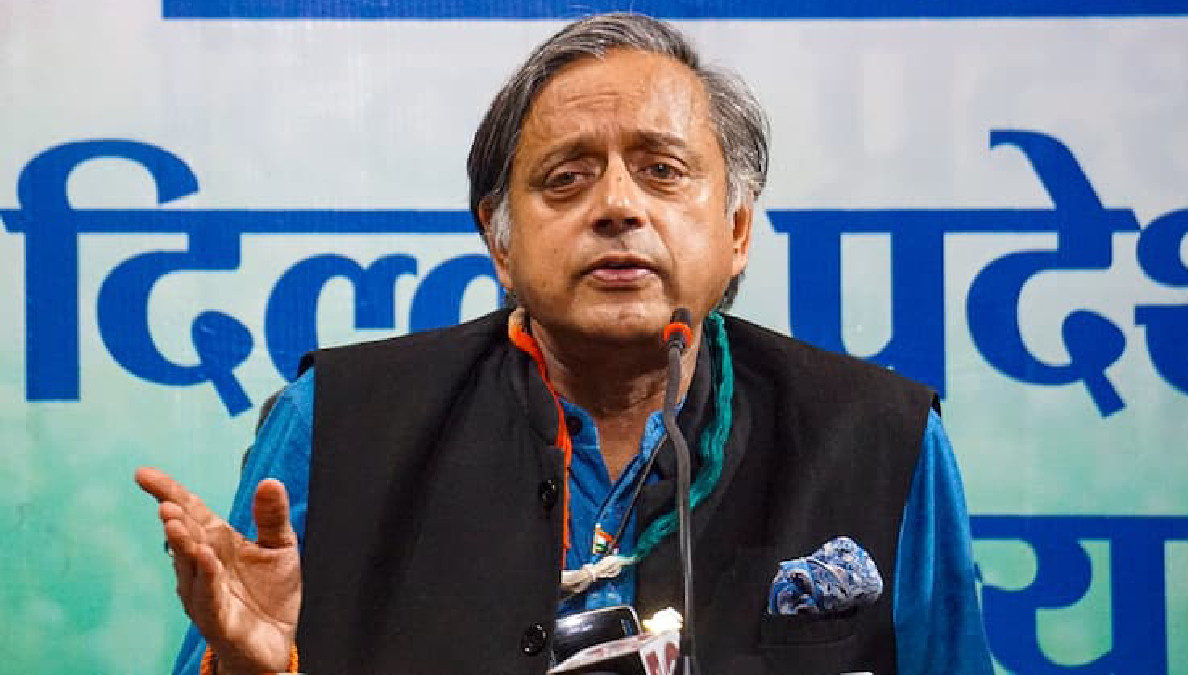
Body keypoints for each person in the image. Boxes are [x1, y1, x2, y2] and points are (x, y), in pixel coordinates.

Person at [137, 13, 993, 675]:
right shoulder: (337, 422)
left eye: (662, 170)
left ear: (737, 230)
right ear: (499, 240)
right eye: (567, 178)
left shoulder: (881, 440)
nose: (617, 205)